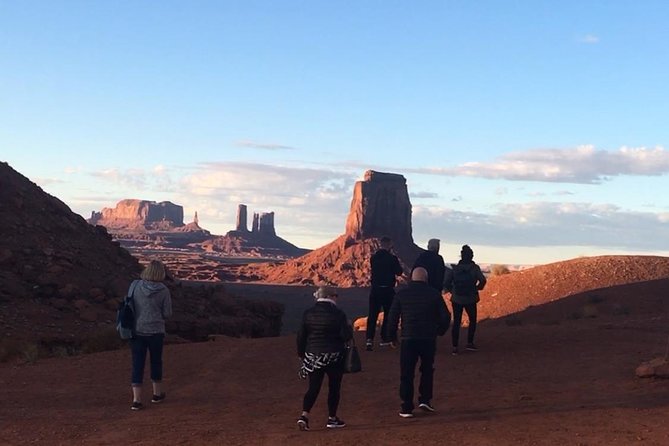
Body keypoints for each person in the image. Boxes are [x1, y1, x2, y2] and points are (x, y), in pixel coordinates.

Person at [387, 267, 451, 418]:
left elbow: (392, 318)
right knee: (427, 369)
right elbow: (446, 317)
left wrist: (392, 338)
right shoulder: (434, 294)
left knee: (407, 373)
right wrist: (439, 331)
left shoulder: (402, 294)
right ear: (426, 279)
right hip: (428, 338)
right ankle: (425, 400)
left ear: (411, 278)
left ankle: (406, 407)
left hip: (408, 339)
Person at [296, 286, 353, 431]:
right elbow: (346, 337)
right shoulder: (339, 314)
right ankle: (332, 419)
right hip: (334, 356)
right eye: (336, 295)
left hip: (314, 356)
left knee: (313, 387)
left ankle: (304, 416)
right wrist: (349, 327)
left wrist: (302, 355)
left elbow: (301, 336)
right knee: (334, 388)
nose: (337, 298)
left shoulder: (308, 313)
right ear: (330, 296)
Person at [128, 260, 173, 410]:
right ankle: (156, 394)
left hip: (137, 330)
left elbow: (129, 304)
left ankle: (136, 400)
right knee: (156, 361)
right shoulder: (164, 290)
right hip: (156, 331)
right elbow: (167, 313)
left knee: (137, 364)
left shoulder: (135, 285)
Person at [444, 245, 487, 355]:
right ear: (471, 256)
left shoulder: (455, 269)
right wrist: (477, 288)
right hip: (471, 298)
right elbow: (482, 280)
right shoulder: (475, 268)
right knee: (472, 320)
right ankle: (470, 343)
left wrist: (453, 291)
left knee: (456, 322)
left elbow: (446, 283)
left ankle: (455, 347)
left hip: (457, 299)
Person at [366, 236, 403, 351]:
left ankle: (369, 340)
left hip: (375, 290)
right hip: (387, 290)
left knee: (372, 315)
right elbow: (399, 272)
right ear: (389, 244)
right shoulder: (392, 258)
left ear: (381, 244)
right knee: (388, 314)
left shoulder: (374, 258)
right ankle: (385, 338)